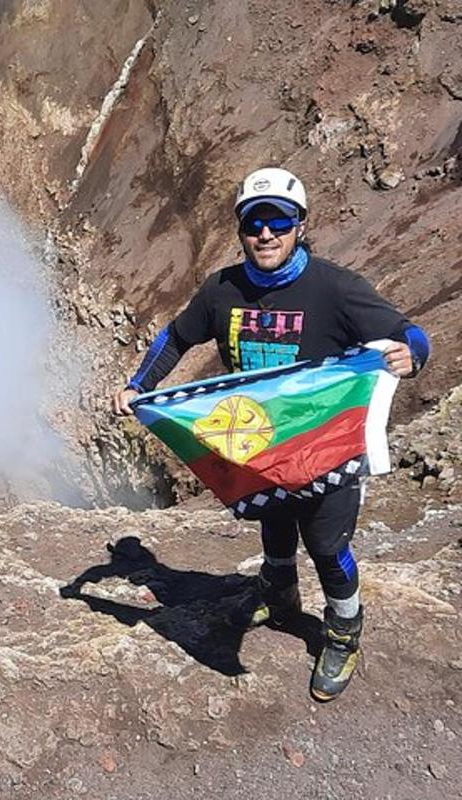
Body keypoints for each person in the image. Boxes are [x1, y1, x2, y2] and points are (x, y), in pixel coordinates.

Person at [111, 166, 431, 702]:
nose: (265, 234)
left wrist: (413, 355)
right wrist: (139, 384)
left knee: (327, 547)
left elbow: (407, 333)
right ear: (240, 229)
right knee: (274, 526)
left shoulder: (336, 288)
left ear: (299, 225)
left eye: (278, 222)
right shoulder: (222, 290)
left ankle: (343, 631)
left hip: (325, 449)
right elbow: (176, 336)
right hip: (258, 446)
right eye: (254, 223)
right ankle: (279, 593)